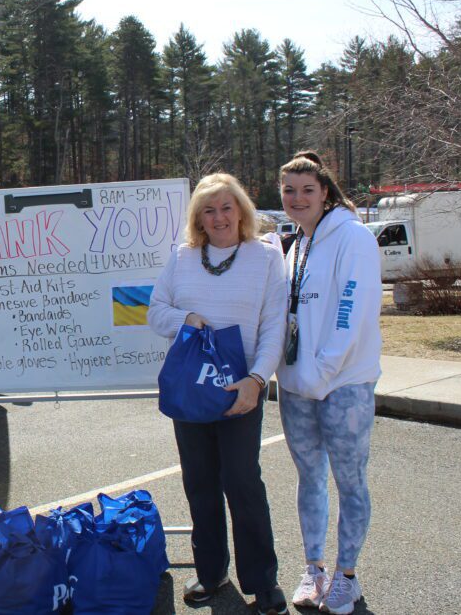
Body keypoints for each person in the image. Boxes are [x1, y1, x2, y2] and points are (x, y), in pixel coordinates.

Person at [148, 173, 289, 615]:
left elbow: (274, 328)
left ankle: (262, 583)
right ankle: (211, 574)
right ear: (198, 218)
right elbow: (156, 311)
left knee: (243, 484)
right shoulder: (182, 257)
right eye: (209, 210)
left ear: (242, 211)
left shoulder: (265, 258)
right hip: (192, 392)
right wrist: (185, 318)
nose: (219, 216)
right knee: (201, 486)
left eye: (227, 207)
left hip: (240, 391)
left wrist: (258, 380)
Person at [276, 151, 381, 615]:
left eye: (307, 190)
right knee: (310, 480)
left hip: (345, 385)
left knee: (350, 482)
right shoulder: (297, 245)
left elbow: (351, 310)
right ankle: (314, 568)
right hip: (298, 387)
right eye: (288, 191)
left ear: (325, 193)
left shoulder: (352, 237)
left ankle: (347, 576)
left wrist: (325, 369)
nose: (297, 199)